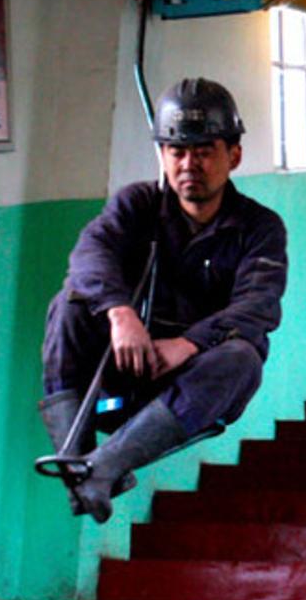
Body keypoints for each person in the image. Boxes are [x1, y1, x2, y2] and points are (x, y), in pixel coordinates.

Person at [38, 77, 288, 523]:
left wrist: (189, 344)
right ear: (163, 157)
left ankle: (102, 469)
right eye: (177, 151)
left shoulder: (260, 228)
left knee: (243, 358)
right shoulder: (137, 205)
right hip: (127, 368)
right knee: (69, 305)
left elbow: (259, 306)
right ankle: (77, 461)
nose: (189, 163)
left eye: (204, 150)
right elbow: (89, 256)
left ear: (234, 156)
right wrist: (121, 315)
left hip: (192, 386)